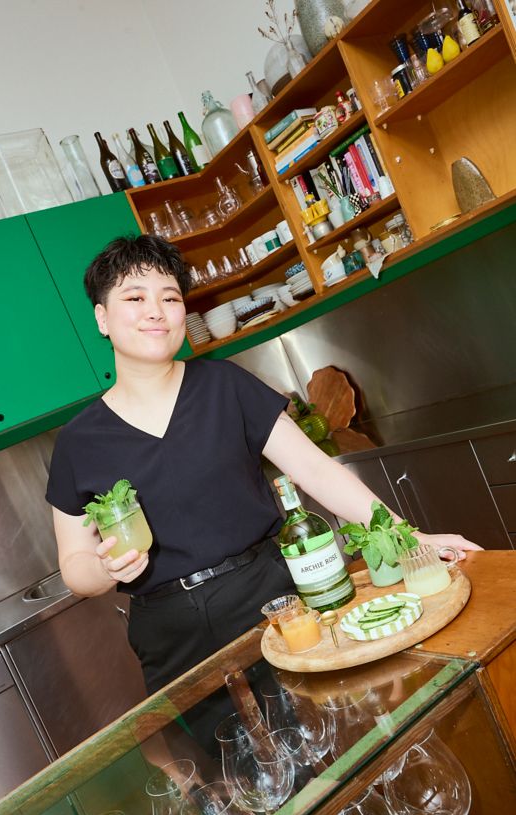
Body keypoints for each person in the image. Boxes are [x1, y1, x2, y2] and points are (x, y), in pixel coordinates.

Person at [46, 234, 481, 700]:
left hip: (275, 601)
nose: (156, 311)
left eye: (169, 297)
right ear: (102, 317)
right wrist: (108, 569)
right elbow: (75, 565)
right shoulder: (78, 442)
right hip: (170, 635)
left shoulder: (225, 386)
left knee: (330, 729)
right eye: (135, 297)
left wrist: (410, 539)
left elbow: (318, 472)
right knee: (227, 767)